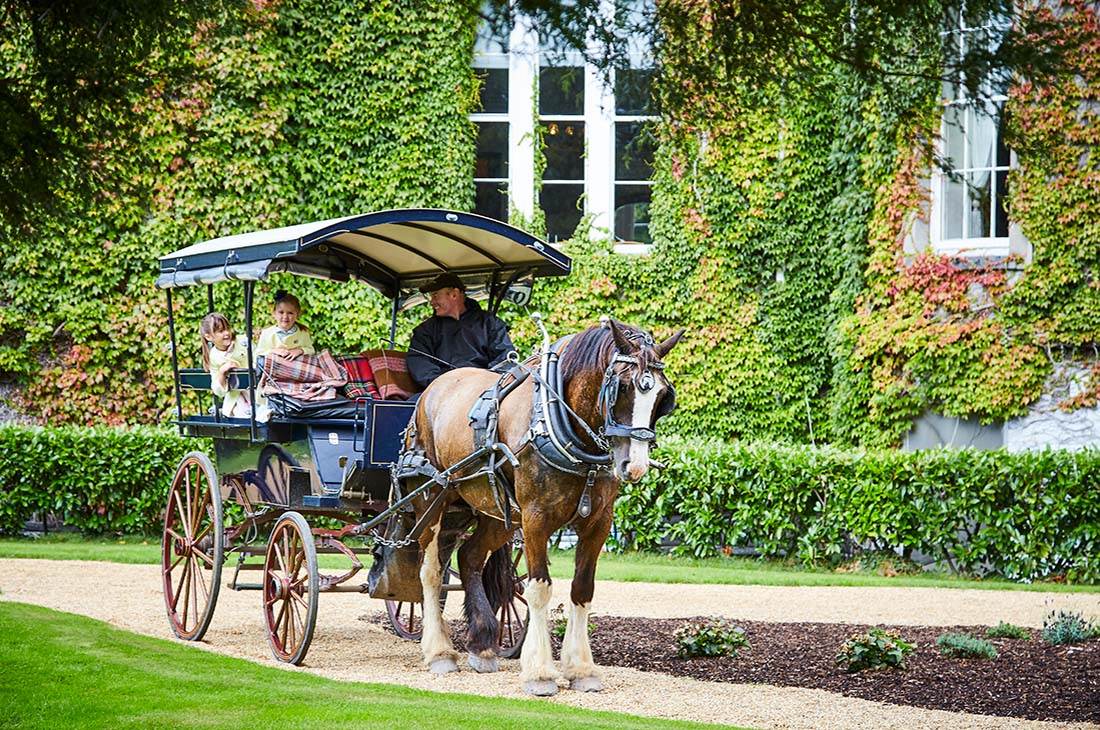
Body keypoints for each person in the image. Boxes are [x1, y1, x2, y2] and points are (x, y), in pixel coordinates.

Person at [406, 273, 515, 389]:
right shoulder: (425, 330)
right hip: (441, 390)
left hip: (484, 391)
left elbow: (506, 358)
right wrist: (445, 383)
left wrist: (484, 381)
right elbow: (419, 362)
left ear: (454, 294)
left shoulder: (489, 323)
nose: (431, 302)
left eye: (435, 295)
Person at [199, 312, 270, 421]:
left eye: (227, 328)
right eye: (221, 331)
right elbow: (218, 391)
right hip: (236, 399)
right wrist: (222, 372)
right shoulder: (214, 356)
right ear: (208, 337)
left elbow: (259, 360)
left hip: (257, 392)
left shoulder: (242, 341)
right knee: (241, 414)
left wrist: (246, 368)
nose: (227, 333)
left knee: (263, 412)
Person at [255, 290, 315, 360]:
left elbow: (311, 350)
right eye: (281, 312)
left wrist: (300, 351)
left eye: (290, 313)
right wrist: (273, 351)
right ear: (274, 313)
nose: (285, 316)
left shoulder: (303, 333)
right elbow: (258, 354)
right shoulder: (267, 333)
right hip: (273, 370)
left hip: (296, 370)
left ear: (297, 314)